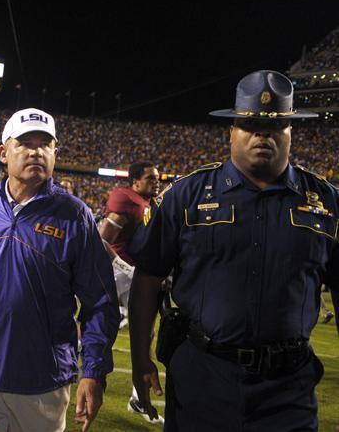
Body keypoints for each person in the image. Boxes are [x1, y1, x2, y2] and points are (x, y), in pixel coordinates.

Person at [128, 70, 336, 431]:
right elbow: (147, 279)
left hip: (289, 389)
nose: (262, 134)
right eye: (249, 123)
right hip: (202, 379)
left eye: (275, 126)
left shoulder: (327, 202)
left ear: (290, 133)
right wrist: (138, 358)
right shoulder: (185, 196)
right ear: (231, 131)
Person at [0, 108, 119, 432]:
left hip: (41, 383)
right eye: (25, 143)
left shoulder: (74, 216)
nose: (36, 151)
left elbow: (100, 303)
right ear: (3, 153)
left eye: (44, 143)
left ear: (55, 153)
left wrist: (93, 372)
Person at [99, 160, 162, 423]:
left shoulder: (147, 204)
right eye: (150, 178)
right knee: (102, 330)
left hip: (133, 275)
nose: (156, 182)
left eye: (158, 178)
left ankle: (138, 396)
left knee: (145, 331)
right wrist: (126, 268)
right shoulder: (126, 201)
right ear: (135, 181)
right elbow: (100, 240)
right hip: (117, 273)